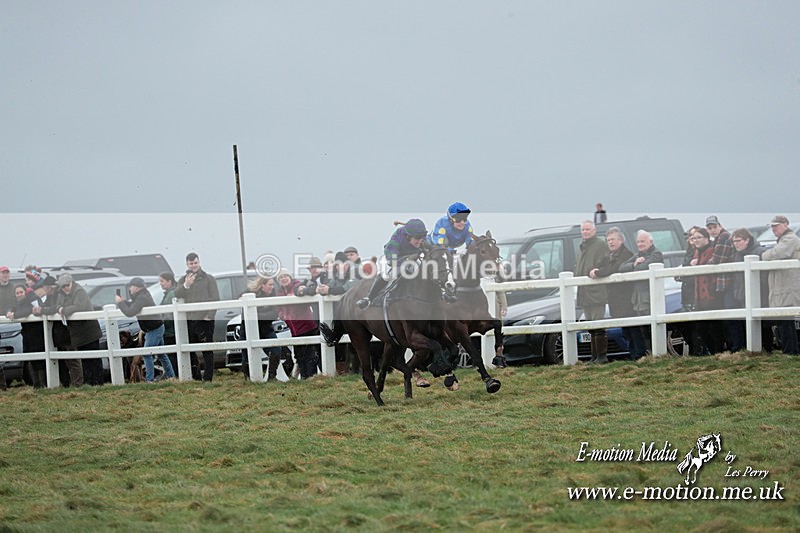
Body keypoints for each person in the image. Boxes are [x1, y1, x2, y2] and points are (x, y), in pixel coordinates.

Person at [357, 218, 429, 309]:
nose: (420, 241)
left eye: (421, 238)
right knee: (386, 275)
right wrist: (405, 262)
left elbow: (431, 251)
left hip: (413, 258)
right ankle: (369, 298)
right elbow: (392, 259)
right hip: (393, 259)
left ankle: (442, 293)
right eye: (417, 239)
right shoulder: (397, 239)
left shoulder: (422, 238)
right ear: (408, 236)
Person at [46, 273, 104, 386]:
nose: (65, 288)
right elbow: (58, 306)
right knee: (85, 359)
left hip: (89, 331)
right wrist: (60, 308)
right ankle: (88, 383)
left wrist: (64, 310)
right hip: (77, 333)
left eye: (67, 285)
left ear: (72, 283)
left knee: (94, 358)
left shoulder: (79, 291)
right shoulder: (61, 294)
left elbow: (79, 307)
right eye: (62, 286)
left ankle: (97, 382)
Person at [115, 277, 176, 383]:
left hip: (154, 329)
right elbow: (133, 305)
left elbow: (130, 312)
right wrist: (124, 301)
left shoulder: (141, 298)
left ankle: (149, 379)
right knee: (161, 353)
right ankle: (170, 376)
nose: (130, 288)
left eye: (131, 286)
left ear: (136, 287)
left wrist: (120, 303)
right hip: (155, 327)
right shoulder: (142, 295)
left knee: (147, 353)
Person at [590, 227, 634, 359]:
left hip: (626, 298)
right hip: (615, 299)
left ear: (620, 240)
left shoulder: (627, 254)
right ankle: (632, 355)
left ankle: (636, 355)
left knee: (632, 329)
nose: (610, 242)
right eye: (608, 240)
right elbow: (600, 265)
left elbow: (614, 268)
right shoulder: (609, 256)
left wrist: (597, 273)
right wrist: (593, 269)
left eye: (613, 239)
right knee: (625, 329)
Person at [174, 252, 220, 381]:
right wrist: (186, 285)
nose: (193, 265)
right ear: (187, 264)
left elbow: (215, 298)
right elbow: (177, 293)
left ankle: (208, 378)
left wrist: (209, 315)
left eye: (195, 263)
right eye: (191, 263)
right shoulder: (183, 279)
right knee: (189, 348)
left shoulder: (209, 278)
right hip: (190, 320)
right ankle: (196, 376)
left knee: (207, 349)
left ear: (199, 262)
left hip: (205, 320)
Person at [619, 231, 664, 359]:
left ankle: (657, 354)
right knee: (643, 329)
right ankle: (648, 355)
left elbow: (643, 268)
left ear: (651, 242)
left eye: (643, 241)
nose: (640, 244)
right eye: (638, 241)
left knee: (653, 328)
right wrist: (634, 263)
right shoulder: (637, 255)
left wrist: (636, 265)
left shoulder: (656, 254)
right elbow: (622, 267)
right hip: (638, 300)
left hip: (651, 298)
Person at [761, 216, 800, 355]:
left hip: (787, 287)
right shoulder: (784, 239)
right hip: (783, 287)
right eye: (772, 226)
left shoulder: (790, 239)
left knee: (785, 320)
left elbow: (775, 254)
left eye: (776, 226)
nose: (773, 229)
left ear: (785, 225)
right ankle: (790, 350)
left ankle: (791, 351)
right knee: (784, 321)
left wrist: (763, 255)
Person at [275, 268, 320, 379]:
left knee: (309, 354)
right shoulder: (279, 293)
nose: (283, 279)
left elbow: (306, 299)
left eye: (285, 276)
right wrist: (282, 314)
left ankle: (311, 377)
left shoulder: (298, 286)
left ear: (290, 277)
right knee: (299, 355)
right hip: (294, 329)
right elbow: (280, 307)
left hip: (306, 326)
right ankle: (304, 377)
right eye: (281, 277)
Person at [574, 221, 608, 363]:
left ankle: (601, 356)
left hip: (596, 292)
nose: (585, 232)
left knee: (598, 325)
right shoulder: (583, 248)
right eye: (583, 230)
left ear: (594, 230)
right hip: (584, 293)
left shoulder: (600, 245)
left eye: (588, 229)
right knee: (590, 326)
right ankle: (594, 356)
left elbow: (604, 265)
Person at [241, 276, 286, 381]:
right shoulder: (249, 292)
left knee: (276, 351)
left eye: (272, 284)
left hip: (266, 329)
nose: (272, 287)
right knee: (247, 356)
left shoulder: (273, 295)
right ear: (262, 286)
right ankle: (249, 379)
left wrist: (255, 314)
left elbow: (274, 314)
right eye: (270, 284)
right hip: (248, 329)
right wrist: (260, 315)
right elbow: (243, 308)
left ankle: (271, 377)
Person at [689, 228, 724, 355]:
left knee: (714, 327)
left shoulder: (711, 251)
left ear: (706, 239)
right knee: (701, 328)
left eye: (699, 237)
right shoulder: (697, 253)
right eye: (694, 238)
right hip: (700, 295)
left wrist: (696, 264)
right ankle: (713, 351)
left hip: (711, 294)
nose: (696, 240)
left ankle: (718, 352)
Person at [7, 282, 47, 387]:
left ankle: (43, 384)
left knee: (40, 361)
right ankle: (36, 385)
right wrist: (9, 311)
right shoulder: (18, 303)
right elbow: (12, 308)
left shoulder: (33, 298)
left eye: (21, 292)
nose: (19, 294)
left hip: (37, 335)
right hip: (28, 336)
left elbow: (31, 310)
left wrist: (15, 315)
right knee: (32, 361)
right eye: (17, 293)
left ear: (25, 292)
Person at [158, 271, 179, 373]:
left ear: (169, 281)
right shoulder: (171, 292)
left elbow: (167, 315)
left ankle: (173, 375)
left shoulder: (171, 294)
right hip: (172, 329)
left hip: (170, 331)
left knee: (171, 355)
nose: (160, 283)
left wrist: (162, 325)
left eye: (162, 281)